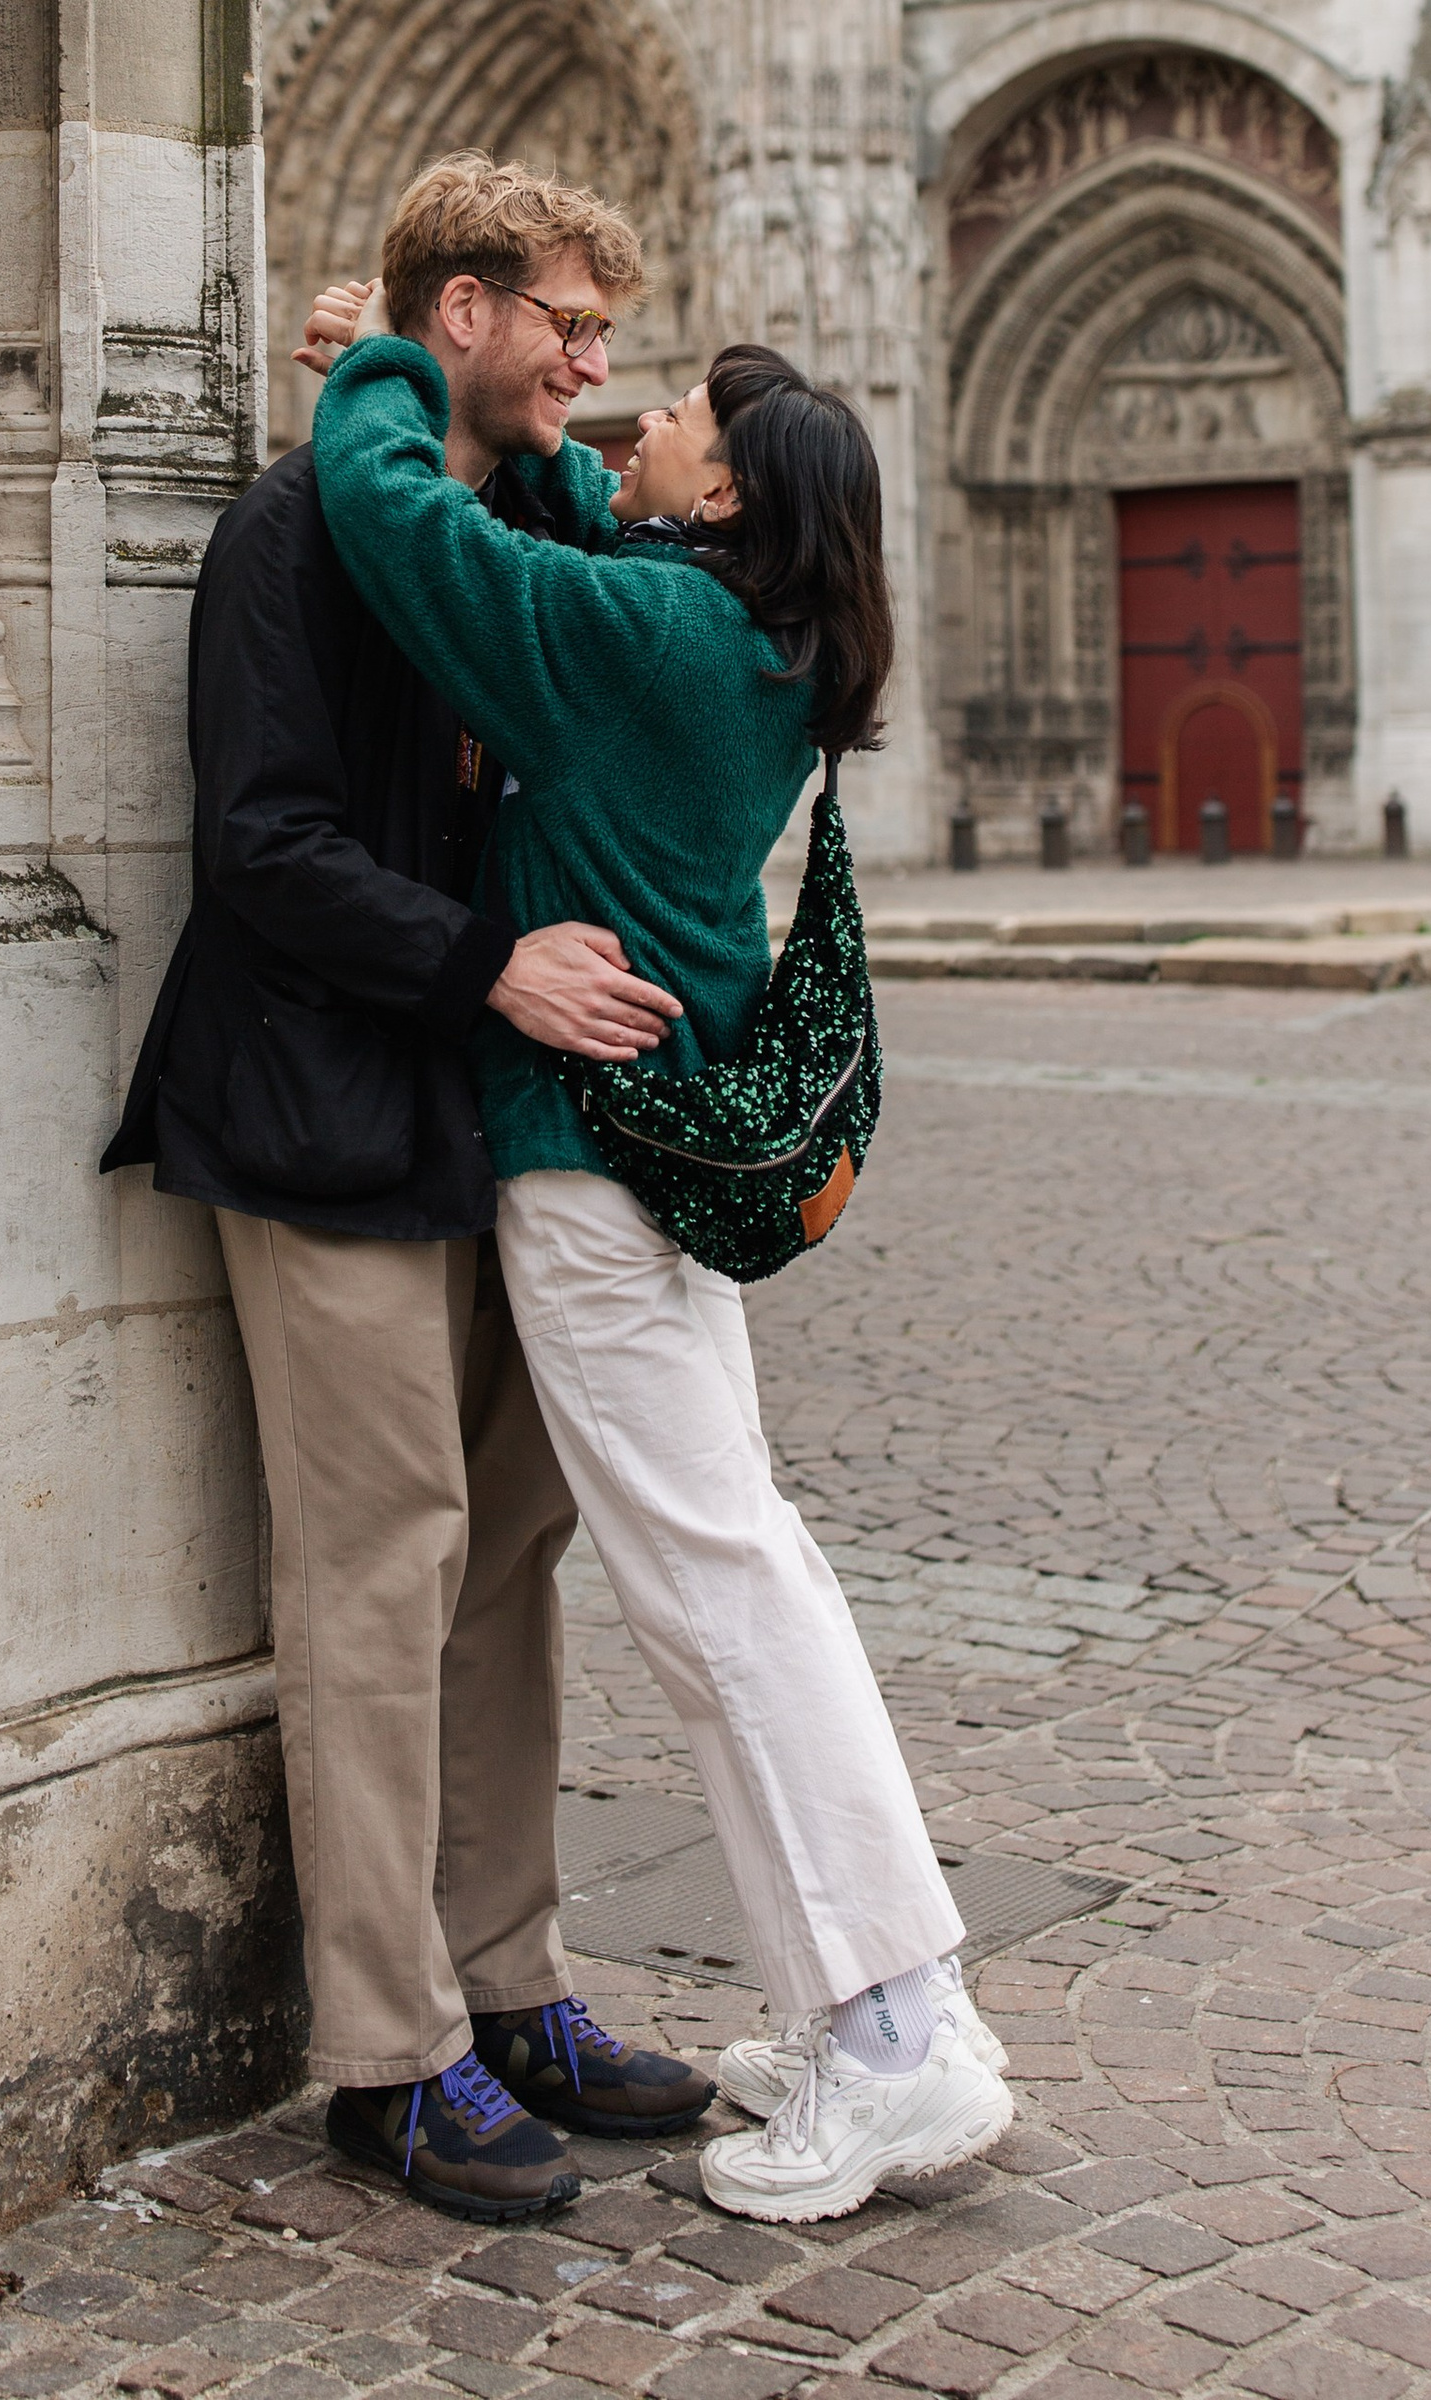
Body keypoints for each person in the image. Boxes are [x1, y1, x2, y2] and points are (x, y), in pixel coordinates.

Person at [301, 284, 1016, 2226]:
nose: (636, 421)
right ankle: (898, 2008)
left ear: (734, 495)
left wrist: (391, 368)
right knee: (748, 1567)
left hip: (590, 1184)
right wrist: (542, 436)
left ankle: (881, 2049)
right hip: (669, 1169)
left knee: (713, 1605)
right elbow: (565, 524)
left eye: (677, 414)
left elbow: (401, 526)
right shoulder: (754, 650)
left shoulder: (640, 638)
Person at [104, 155, 714, 2226]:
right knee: (379, 1566)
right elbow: (261, 845)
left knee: (506, 1558)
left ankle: (514, 1979)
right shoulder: (292, 536)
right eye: (562, 321)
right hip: (321, 1102)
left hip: (487, 1114)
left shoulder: (513, 526)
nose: (594, 361)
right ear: (454, 317)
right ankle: (391, 2051)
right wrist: (486, 963)